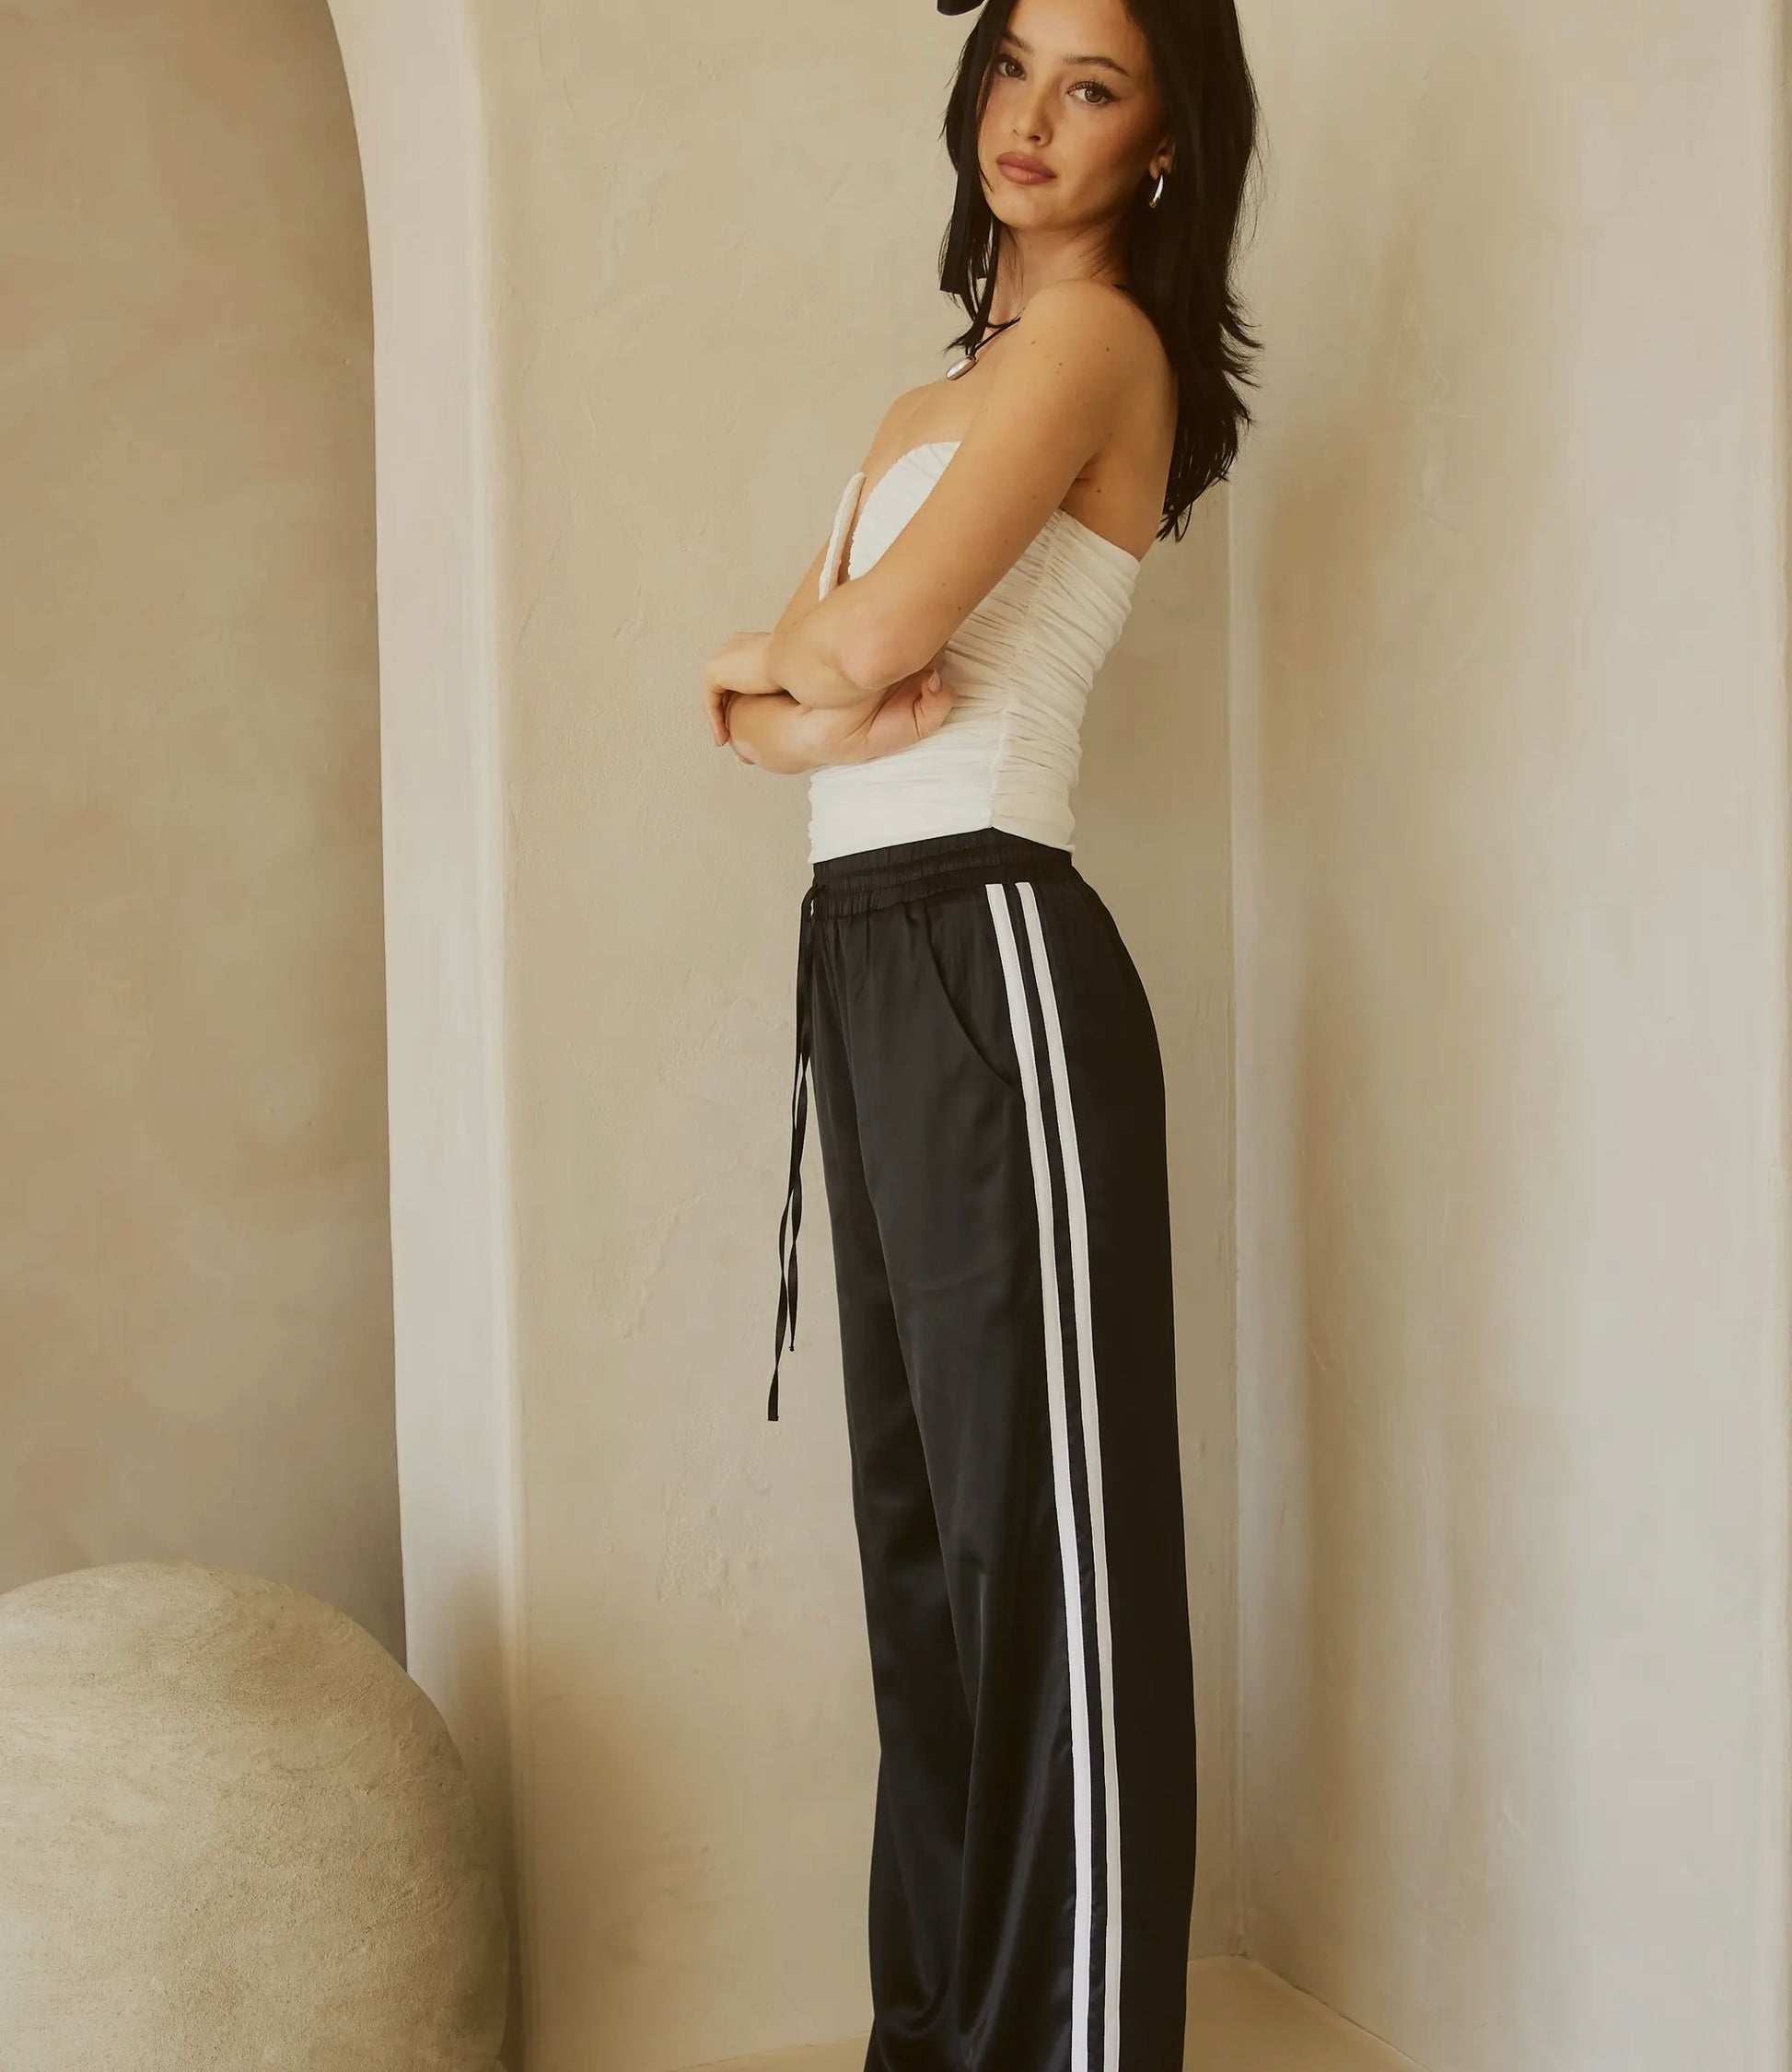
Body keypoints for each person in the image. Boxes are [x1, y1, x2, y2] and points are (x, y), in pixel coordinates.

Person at [700, 1, 1259, 2064]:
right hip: (864, 951)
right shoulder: (920, 405)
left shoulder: (1097, 348)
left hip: (996, 949)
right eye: (1013, 64)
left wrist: (773, 665)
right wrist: (790, 685)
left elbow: (848, 649)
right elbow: (777, 727)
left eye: (1090, 86)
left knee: (1047, 1566)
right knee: (926, 1554)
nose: (1029, 117)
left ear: (1160, 145)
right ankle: (939, 2038)